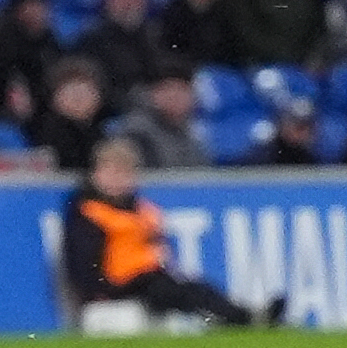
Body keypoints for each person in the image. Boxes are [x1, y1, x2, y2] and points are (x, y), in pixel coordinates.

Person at [59, 138, 251, 325]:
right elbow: (81, 262)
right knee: (175, 291)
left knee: (190, 287)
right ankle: (235, 316)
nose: (118, 180)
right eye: (112, 172)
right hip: (117, 284)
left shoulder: (143, 210)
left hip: (147, 277)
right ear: (96, 174)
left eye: (124, 173)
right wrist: (96, 292)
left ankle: (235, 314)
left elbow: (159, 247)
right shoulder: (88, 212)